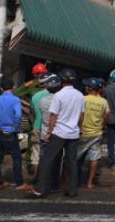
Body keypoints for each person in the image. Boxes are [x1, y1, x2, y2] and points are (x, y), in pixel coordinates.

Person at [30, 68, 84, 198]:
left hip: (59, 132)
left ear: (61, 80)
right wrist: (78, 128)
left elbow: (53, 116)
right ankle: (72, 190)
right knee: (71, 162)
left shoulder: (59, 95)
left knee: (47, 160)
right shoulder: (80, 95)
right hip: (73, 133)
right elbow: (82, 115)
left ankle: (40, 188)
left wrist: (49, 132)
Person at [0, 78, 31, 191]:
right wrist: (15, 128)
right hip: (9, 131)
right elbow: (18, 115)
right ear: (13, 87)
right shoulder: (15, 100)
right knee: (16, 157)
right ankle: (19, 183)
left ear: (1, 88)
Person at [14, 62, 48, 174]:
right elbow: (15, 95)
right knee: (32, 142)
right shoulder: (30, 85)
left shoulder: (49, 84)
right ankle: (30, 164)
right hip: (34, 118)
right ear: (35, 75)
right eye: (40, 74)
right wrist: (27, 106)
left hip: (48, 117)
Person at [78, 78, 110, 189]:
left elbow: (78, 115)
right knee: (94, 158)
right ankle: (89, 182)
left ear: (90, 88)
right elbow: (107, 115)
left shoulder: (83, 99)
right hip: (96, 133)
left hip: (83, 132)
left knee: (75, 157)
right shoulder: (103, 101)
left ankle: (70, 180)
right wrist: (103, 125)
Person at [38, 74, 63, 192]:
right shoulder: (61, 100)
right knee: (56, 161)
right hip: (56, 133)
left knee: (44, 159)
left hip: (45, 132)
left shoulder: (42, 100)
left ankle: (42, 183)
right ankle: (54, 184)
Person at [28, 73, 54, 180]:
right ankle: (47, 178)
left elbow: (33, 112)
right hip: (49, 129)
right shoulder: (54, 96)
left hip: (36, 127)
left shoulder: (35, 96)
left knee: (36, 153)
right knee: (49, 155)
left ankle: (36, 178)